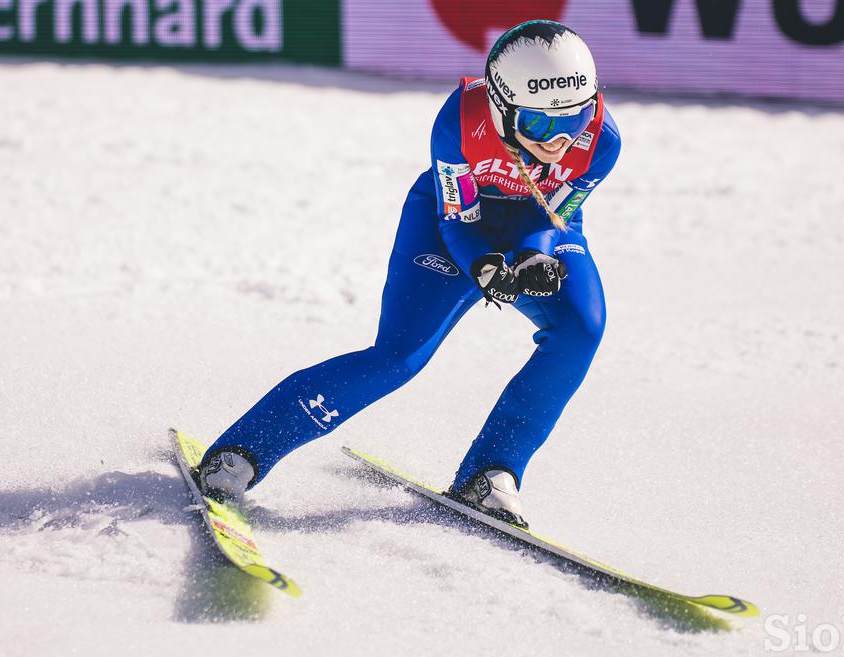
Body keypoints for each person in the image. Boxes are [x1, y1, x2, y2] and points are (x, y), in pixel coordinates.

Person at [198, 19, 621, 529]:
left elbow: (551, 213)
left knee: (582, 330)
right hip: (452, 220)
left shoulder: (603, 139)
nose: (557, 141)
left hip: (541, 225)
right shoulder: (461, 120)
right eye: (537, 125)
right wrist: (484, 265)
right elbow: (458, 219)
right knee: (397, 358)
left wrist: (534, 254)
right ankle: (241, 452)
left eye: (572, 122)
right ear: (502, 106)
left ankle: (492, 473)